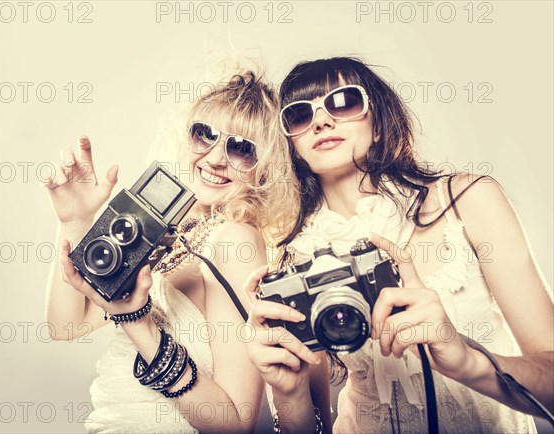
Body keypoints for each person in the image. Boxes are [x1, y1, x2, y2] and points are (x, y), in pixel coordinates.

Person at [244, 57, 553, 433]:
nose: (322, 121)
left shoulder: (467, 202)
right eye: (299, 115)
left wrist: (467, 361)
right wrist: (287, 394)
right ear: (293, 146)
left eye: (344, 102)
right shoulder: (296, 259)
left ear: (378, 123)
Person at [44, 69, 295, 433]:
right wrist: (74, 222)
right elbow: (66, 325)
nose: (215, 158)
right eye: (205, 134)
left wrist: (139, 324)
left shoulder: (235, 240)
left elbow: (235, 423)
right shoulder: (174, 232)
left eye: (241, 149)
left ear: (264, 169)